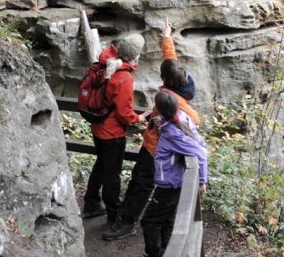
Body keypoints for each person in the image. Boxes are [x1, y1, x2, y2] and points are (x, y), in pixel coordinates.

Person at [102, 19, 200, 240]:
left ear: (166, 80)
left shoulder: (174, 99)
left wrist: (163, 119)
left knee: (141, 184)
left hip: (158, 148)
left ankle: (127, 224)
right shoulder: (177, 79)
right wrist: (167, 36)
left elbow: (195, 119)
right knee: (139, 182)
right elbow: (170, 59)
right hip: (154, 144)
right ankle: (129, 220)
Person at [82, 33, 148, 230]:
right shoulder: (123, 77)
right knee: (112, 175)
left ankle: (91, 202)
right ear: (135, 56)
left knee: (101, 165)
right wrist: (139, 119)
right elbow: (124, 112)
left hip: (97, 127)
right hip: (112, 134)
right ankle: (113, 215)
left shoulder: (104, 62)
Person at [140, 90, 208, 257]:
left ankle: (154, 253)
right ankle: (167, 251)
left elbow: (200, 152)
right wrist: (162, 122)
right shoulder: (180, 118)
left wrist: (201, 181)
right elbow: (197, 138)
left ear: (160, 109)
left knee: (148, 221)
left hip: (169, 184)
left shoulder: (172, 133)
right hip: (175, 182)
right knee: (168, 221)